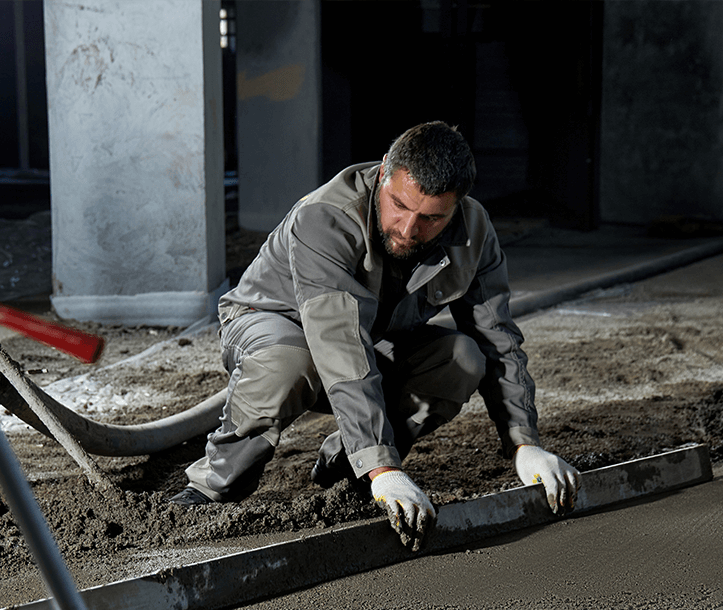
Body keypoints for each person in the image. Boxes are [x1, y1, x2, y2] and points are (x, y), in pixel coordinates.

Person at [169, 121, 579, 549]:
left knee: (462, 358)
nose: (408, 229)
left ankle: (349, 468)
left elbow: (498, 338)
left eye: (431, 218)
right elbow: (339, 342)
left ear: (457, 207)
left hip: (367, 337)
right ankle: (211, 487)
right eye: (399, 205)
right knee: (289, 364)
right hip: (273, 323)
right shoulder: (326, 217)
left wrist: (524, 444)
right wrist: (384, 468)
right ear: (384, 172)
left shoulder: (474, 231)